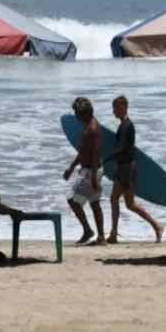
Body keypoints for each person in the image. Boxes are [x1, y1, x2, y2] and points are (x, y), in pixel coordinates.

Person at [104, 96, 162, 243]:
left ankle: (157, 226)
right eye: (113, 108)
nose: (113, 111)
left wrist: (105, 161)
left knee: (129, 204)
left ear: (123, 107)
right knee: (115, 199)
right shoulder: (123, 125)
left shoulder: (127, 126)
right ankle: (113, 234)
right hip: (123, 167)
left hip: (126, 168)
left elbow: (122, 148)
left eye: (115, 107)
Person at [63, 97, 106, 245]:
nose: (75, 115)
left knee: (72, 199)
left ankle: (88, 231)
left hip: (91, 170)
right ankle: (100, 237)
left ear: (84, 113)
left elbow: (96, 152)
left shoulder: (93, 129)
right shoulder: (87, 126)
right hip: (91, 169)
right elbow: (83, 151)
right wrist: (72, 167)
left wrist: (94, 176)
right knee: (94, 203)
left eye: (77, 112)